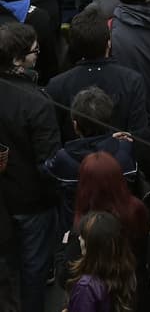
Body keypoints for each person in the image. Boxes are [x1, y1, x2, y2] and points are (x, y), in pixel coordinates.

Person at [0, 21, 60, 312]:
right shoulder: (37, 103)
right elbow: (48, 164)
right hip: (32, 203)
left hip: (6, 199)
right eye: (34, 52)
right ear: (17, 60)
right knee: (33, 272)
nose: (39, 55)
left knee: (8, 272)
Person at [65, 211, 138, 312]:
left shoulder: (86, 287)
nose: (79, 238)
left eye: (83, 236)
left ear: (92, 246)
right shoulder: (125, 271)